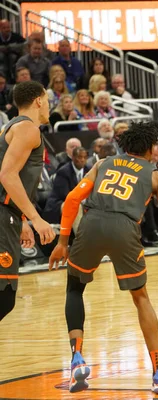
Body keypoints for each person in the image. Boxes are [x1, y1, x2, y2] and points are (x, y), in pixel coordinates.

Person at [48, 121, 158, 394]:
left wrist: (62, 240)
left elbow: (71, 199)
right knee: (141, 298)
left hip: (92, 223)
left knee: (74, 288)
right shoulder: (156, 176)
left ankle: (77, 358)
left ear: (124, 146)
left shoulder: (102, 163)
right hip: (125, 228)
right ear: (152, 149)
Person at [0, 80, 56, 321]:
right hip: (3, 216)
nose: (49, 107)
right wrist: (36, 218)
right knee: (4, 296)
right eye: (48, 101)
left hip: (8, 214)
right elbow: (7, 175)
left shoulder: (10, 127)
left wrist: (21, 218)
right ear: (39, 100)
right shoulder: (28, 129)